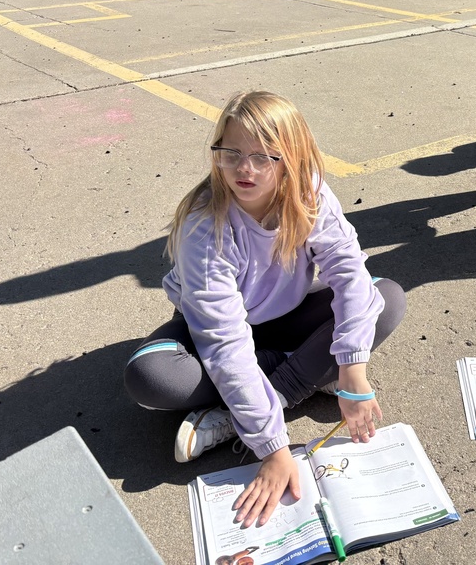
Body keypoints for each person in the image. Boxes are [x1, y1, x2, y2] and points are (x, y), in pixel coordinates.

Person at [124, 92, 406, 528]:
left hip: (285, 318)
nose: (244, 169)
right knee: (153, 377)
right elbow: (224, 343)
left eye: (263, 157)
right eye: (230, 153)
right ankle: (303, 376)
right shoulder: (205, 225)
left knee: (383, 298)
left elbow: (349, 272)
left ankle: (250, 406)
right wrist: (274, 449)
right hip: (220, 332)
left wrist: (352, 370)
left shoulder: (309, 191)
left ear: (292, 158)